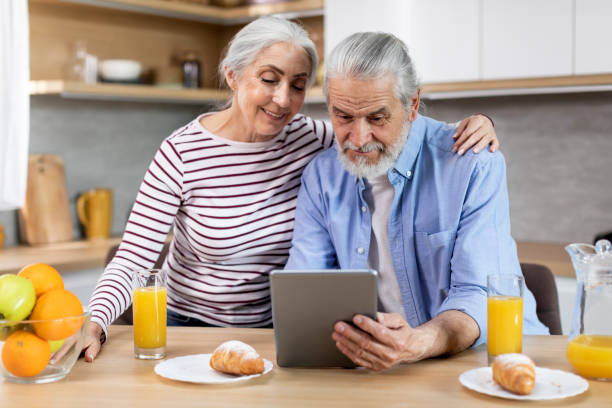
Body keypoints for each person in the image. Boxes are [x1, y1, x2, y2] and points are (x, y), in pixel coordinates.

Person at [80, 17, 499, 362]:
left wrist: (480, 123)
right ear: (232, 75)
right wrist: (95, 320)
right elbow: (134, 255)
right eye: (268, 79)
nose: (283, 100)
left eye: (298, 85)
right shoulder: (182, 153)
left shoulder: (316, 139)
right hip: (188, 326)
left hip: (272, 330)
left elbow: (385, 131)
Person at [284, 31, 549, 371]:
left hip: (491, 361)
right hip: (386, 369)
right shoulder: (322, 177)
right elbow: (304, 291)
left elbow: (479, 294)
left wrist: (418, 342)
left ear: (411, 105)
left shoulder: (471, 163)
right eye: (344, 117)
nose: (359, 138)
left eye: (377, 118)